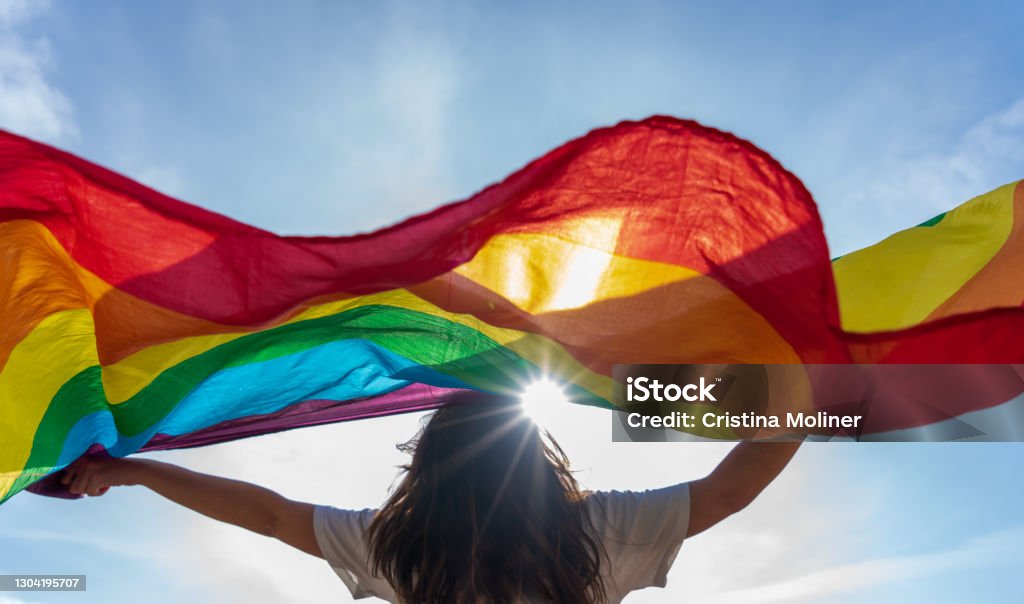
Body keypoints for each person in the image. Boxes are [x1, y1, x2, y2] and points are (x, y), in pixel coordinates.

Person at [60, 392, 800, 603]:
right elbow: (729, 492)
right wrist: (819, 398)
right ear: (538, 459)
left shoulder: (399, 549)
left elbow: (271, 515)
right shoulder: (597, 532)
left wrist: (140, 472)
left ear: (427, 469)